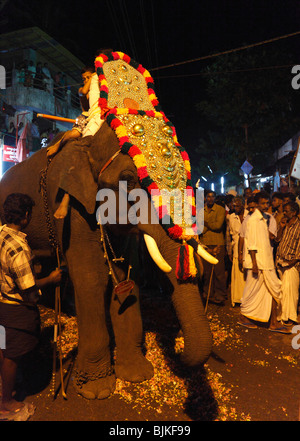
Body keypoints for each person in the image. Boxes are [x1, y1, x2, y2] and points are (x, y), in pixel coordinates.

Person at [0, 193, 62, 419]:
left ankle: (4, 387)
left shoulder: (1, 234)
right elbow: (29, 291)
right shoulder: (18, 248)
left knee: (3, 347)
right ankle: (5, 402)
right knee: (12, 356)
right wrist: (51, 279)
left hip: (1, 307)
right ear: (25, 216)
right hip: (15, 310)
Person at [238, 191, 287, 333]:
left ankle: (273, 322)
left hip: (267, 262)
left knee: (273, 290)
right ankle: (244, 317)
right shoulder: (253, 221)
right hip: (258, 264)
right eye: (263, 203)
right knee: (251, 292)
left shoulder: (266, 219)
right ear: (257, 204)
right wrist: (254, 264)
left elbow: (268, 239)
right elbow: (252, 244)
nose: (266, 206)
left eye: (267, 203)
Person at [200, 190, 227, 305]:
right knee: (206, 272)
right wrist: (209, 224)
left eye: (212, 197)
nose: (210, 199)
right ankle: (208, 294)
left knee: (219, 271)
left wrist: (205, 223)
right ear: (205, 198)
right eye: (208, 197)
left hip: (218, 243)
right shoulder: (200, 210)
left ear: (215, 198)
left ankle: (220, 295)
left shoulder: (220, 209)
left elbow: (218, 226)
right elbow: (200, 229)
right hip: (205, 243)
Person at [275, 201, 300, 326]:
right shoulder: (285, 224)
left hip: (292, 265)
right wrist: (282, 227)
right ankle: (282, 315)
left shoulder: (299, 226)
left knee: (290, 291)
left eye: (286, 211)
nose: (284, 213)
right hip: (280, 262)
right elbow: (277, 239)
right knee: (283, 291)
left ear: (294, 213)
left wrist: (290, 263)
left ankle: (290, 317)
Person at [227, 196, 247, 306]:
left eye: (238, 206)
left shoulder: (249, 215)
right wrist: (230, 251)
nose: (235, 208)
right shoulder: (231, 217)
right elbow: (230, 235)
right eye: (234, 206)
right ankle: (238, 299)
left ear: (243, 205)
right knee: (238, 275)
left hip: (248, 248)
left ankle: (248, 299)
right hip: (236, 248)